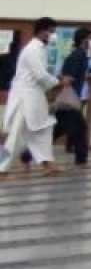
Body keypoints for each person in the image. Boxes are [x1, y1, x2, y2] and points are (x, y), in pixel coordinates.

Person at [0, 18, 63, 178]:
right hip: (24, 98)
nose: (54, 36)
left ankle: (47, 163)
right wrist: (59, 82)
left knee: (43, 129)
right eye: (52, 32)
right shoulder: (32, 50)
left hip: (34, 97)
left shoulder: (41, 49)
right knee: (15, 135)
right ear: (43, 31)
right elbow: (41, 75)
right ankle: (1, 168)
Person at [55, 28, 91, 167]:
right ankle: (26, 154)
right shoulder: (76, 56)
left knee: (65, 129)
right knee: (72, 129)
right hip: (69, 100)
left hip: (73, 99)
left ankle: (81, 160)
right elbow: (67, 78)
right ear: (84, 39)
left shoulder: (82, 56)